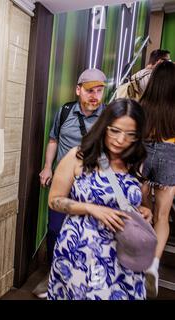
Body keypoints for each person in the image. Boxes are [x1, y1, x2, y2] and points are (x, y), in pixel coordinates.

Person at [47, 99, 152, 300]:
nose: (121, 140)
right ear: (104, 126)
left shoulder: (135, 162)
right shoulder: (78, 156)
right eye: (115, 131)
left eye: (131, 135)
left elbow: (143, 204)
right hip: (81, 252)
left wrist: (145, 211)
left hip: (123, 254)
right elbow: (54, 200)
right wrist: (91, 208)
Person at [34, 68, 107, 298]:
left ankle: (84, 281)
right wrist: (47, 166)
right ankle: (54, 274)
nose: (95, 96)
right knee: (55, 229)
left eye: (99, 91)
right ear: (78, 90)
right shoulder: (65, 111)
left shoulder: (109, 119)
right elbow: (54, 139)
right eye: (89, 91)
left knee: (89, 236)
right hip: (63, 185)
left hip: (91, 187)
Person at [139, 60, 175, 298]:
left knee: (142, 208)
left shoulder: (143, 104)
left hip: (144, 151)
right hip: (171, 152)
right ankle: (153, 264)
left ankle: (137, 258)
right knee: (162, 215)